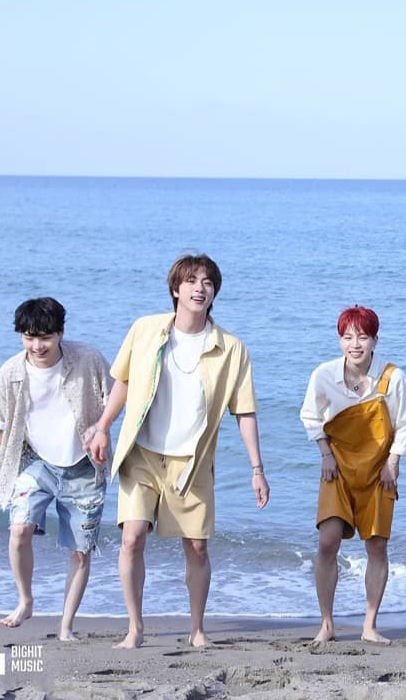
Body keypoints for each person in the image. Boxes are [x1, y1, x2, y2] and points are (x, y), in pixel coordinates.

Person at [86, 253, 270, 649]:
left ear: (214, 292)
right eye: (191, 281)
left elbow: (245, 411)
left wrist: (257, 469)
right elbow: (123, 382)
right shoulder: (146, 330)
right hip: (142, 454)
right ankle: (135, 628)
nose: (200, 288)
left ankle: (197, 629)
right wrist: (102, 427)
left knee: (197, 547)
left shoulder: (231, 348)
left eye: (207, 282)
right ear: (175, 289)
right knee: (132, 538)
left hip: (192, 461)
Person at [0, 297, 111, 641]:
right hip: (35, 462)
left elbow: (116, 398)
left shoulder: (88, 359)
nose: (37, 346)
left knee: (80, 551)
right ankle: (25, 601)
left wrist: (100, 428)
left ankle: (66, 626)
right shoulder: (8, 375)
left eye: (45, 338)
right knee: (19, 530)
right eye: (28, 337)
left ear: (60, 334)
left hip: (85, 467)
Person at [300, 306, 406, 645]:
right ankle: (326, 623)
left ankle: (369, 625)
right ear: (340, 341)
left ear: (375, 340)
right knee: (328, 541)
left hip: (379, 470)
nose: (355, 344)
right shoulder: (323, 375)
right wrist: (325, 454)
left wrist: (393, 462)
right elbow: (309, 416)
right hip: (337, 466)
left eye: (363, 337)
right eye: (348, 337)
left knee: (377, 546)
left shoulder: (394, 378)